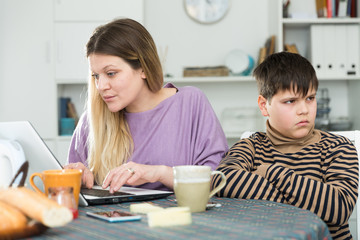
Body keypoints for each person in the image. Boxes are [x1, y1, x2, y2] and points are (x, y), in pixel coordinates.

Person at [64, 18, 228, 193]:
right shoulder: (92, 119)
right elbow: (73, 187)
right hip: (110, 218)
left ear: (142, 68)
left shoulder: (190, 102)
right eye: (96, 76)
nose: (101, 86)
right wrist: (75, 178)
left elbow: (217, 180)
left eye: (111, 73)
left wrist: (160, 173)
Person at [211, 52, 358, 240]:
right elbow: (222, 180)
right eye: (290, 101)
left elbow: (338, 208)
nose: (304, 109)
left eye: (310, 98)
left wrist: (270, 172)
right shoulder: (250, 146)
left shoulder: (338, 148)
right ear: (264, 106)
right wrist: (310, 203)